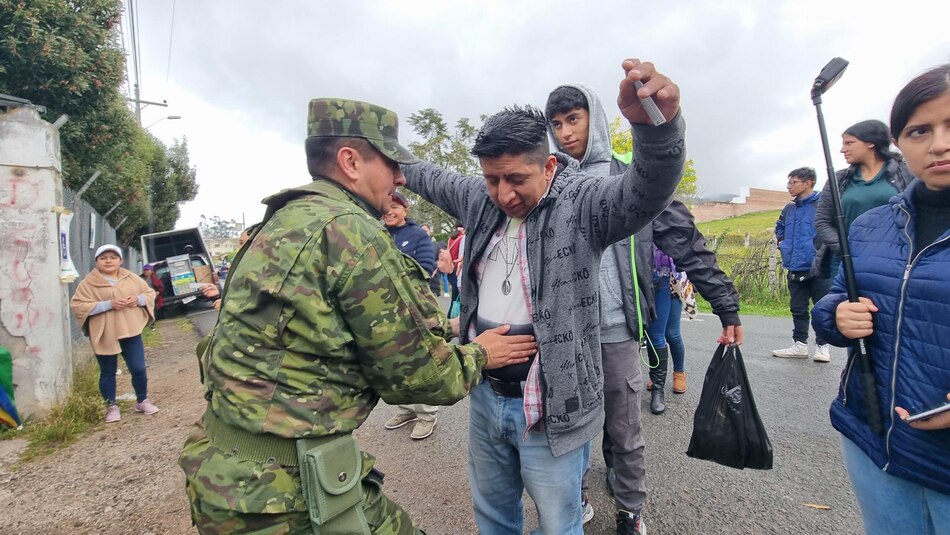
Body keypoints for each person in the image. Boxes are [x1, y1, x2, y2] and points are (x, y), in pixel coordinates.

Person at [178, 98, 536, 534]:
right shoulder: (353, 232)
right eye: (391, 163)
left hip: (220, 468)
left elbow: (322, 326)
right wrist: (481, 353)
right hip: (283, 492)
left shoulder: (283, 219)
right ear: (350, 161)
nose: (401, 177)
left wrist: (447, 326)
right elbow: (421, 377)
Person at [403, 58, 685, 535]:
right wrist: (373, 148)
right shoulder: (480, 197)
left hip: (552, 404)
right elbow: (424, 174)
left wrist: (656, 128)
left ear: (549, 164)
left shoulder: (584, 201)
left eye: (517, 179)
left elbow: (648, 188)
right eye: (492, 179)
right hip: (486, 396)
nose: (503, 194)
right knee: (493, 515)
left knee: (558, 522)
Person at [545, 82, 740, 533]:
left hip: (615, 329)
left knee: (625, 430)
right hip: (565, 334)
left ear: (593, 117)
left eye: (573, 119)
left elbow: (686, 243)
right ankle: (576, 497)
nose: (565, 131)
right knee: (567, 426)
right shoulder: (549, 183)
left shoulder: (632, 176)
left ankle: (630, 511)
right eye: (556, 124)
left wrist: (726, 304)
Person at [811, 63, 950, 535]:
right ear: (901, 143)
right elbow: (831, 303)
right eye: (919, 130)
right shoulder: (872, 225)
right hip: (873, 438)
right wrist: (836, 315)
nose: (938, 144)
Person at [813, 120, 914, 279]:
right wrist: (846, 248)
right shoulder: (838, 180)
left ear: (870, 143)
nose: (843, 149)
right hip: (846, 261)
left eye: (849, 143)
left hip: (894, 259)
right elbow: (822, 222)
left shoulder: (906, 173)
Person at [70, 244, 159, 423]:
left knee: (138, 368)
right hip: (105, 332)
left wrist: (138, 299)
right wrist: (108, 304)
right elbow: (78, 305)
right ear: (96, 262)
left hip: (130, 329)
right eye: (103, 258)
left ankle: (142, 400)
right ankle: (111, 406)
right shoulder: (88, 283)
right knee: (108, 371)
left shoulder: (131, 277)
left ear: (120, 260)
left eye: (113, 257)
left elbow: (149, 293)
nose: (108, 261)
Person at [382, 190, 441, 439]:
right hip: (385, 308)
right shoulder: (377, 234)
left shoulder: (417, 235)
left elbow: (426, 267)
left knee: (420, 359)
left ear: (405, 210)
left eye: (395, 207)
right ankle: (406, 408)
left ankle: (427, 413)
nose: (390, 212)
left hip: (416, 305)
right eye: (385, 207)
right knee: (397, 361)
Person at [772, 167, 832, 362]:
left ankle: (823, 347)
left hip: (818, 265)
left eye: (793, 182)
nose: (789, 186)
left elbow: (832, 228)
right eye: (788, 182)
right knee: (797, 308)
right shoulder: (789, 208)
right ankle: (799, 345)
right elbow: (779, 226)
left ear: (808, 183)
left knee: (821, 308)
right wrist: (782, 243)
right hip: (795, 264)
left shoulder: (823, 204)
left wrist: (822, 250)